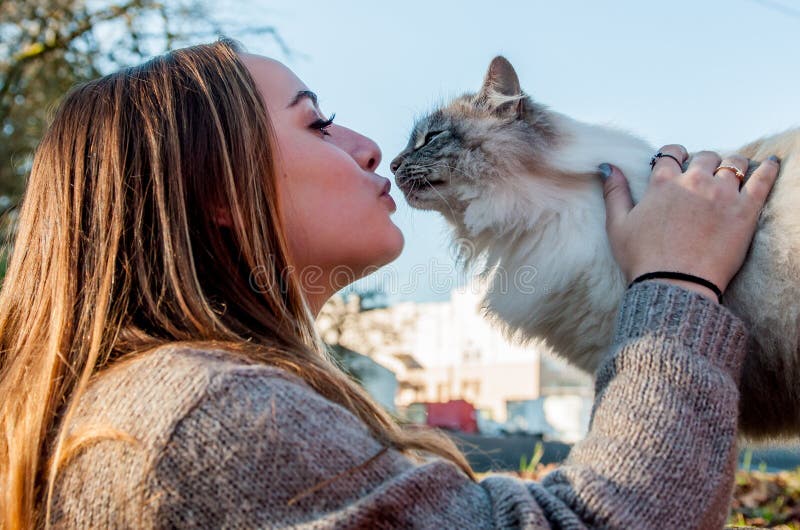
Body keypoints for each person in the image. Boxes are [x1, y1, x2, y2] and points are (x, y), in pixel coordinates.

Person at [0, 37, 779, 529]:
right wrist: (677, 282)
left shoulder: (170, 401)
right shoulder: (201, 417)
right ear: (219, 192)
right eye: (318, 122)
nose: (372, 148)